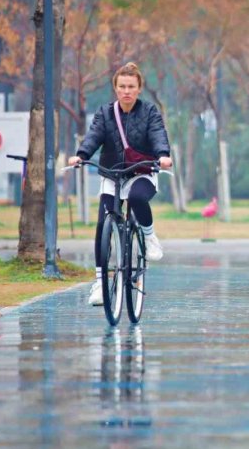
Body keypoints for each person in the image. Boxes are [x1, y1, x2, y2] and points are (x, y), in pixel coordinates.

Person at [68, 62, 173, 306]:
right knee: (103, 223)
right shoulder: (105, 113)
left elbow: (158, 134)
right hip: (112, 174)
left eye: (131, 87)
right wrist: (82, 155)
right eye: (122, 86)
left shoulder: (149, 112)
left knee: (137, 198)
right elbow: (93, 136)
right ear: (115, 88)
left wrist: (163, 155)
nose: (127, 91)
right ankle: (100, 283)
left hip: (142, 172)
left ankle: (148, 236)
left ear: (139, 89)